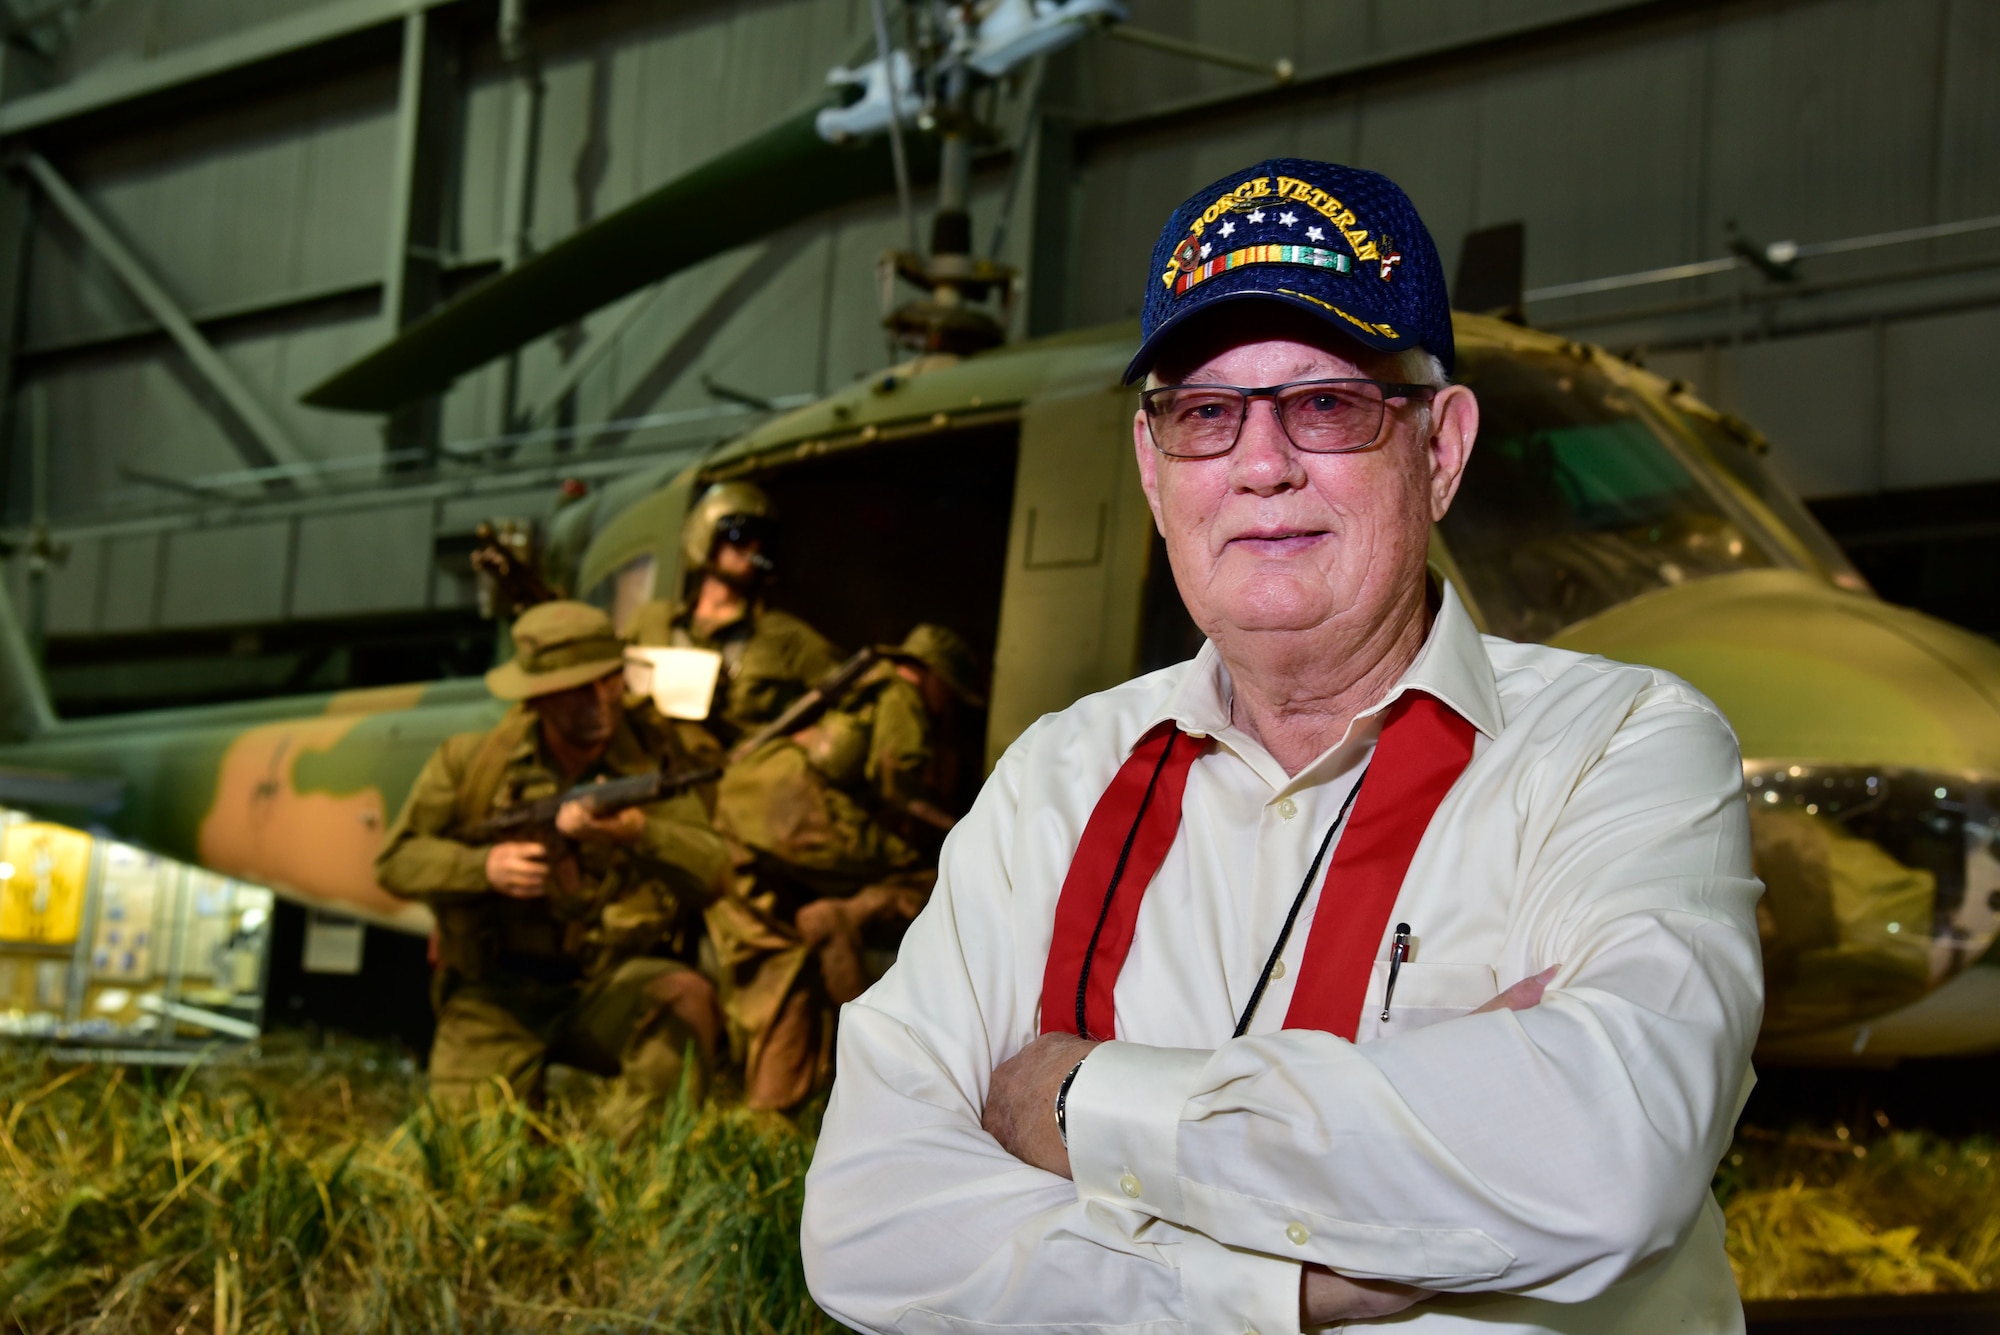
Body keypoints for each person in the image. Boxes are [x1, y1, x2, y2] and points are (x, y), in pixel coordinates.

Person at [803, 159, 1763, 1334]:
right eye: (1206, 414)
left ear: (1440, 449)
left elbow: (1607, 1157)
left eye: (1326, 404)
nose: (1261, 465)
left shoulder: (1616, 747)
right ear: (1155, 474)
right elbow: (868, 1228)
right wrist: (1282, 1281)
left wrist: (1079, 1104)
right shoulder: (1056, 779)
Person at [376, 601, 733, 1117]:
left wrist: (640, 832)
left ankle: (632, 1175)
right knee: (479, 1159)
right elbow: (396, 861)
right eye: (575, 687)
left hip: (607, 982)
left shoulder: (653, 760)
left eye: (608, 681)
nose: (597, 701)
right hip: (495, 993)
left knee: (685, 997)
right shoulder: (473, 763)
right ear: (537, 696)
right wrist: (484, 869)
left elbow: (713, 872)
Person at [709, 623, 987, 1112]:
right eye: (950, 694)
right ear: (933, 676)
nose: (946, 708)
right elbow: (896, 780)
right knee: (925, 873)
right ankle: (879, 1063)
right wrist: (964, 830)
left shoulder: (860, 685)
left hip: (745, 805)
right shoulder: (901, 695)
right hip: (794, 811)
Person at [628, 481, 842, 745]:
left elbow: (844, 686)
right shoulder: (654, 622)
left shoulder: (783, 635)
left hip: (742, 771)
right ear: (707, 536)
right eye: (739, 535)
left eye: (762, 541)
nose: (753, 549)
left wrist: (810, 738)